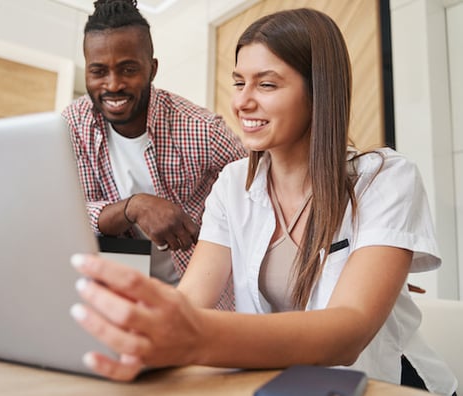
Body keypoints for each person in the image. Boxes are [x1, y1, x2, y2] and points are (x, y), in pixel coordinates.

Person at [67, 7, 458, 396]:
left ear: (319, 89)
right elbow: (191, 302)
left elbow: (349, 332)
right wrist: (148, 328)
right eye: (239, 83)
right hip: (284, 384)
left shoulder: (385, 178)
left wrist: (193, 334)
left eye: (266, 85)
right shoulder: (233, 185)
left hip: (385, 384)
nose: (243, 103)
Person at [62, 0, 246, 295]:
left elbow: (260, 188)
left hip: (201, 300)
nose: (113, 85)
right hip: (120, 295)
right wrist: (133, 207)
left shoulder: (201, 129)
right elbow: (66, 215)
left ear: (152, 69)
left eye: (128, 69)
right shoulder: (73, 125)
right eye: (98, 71)